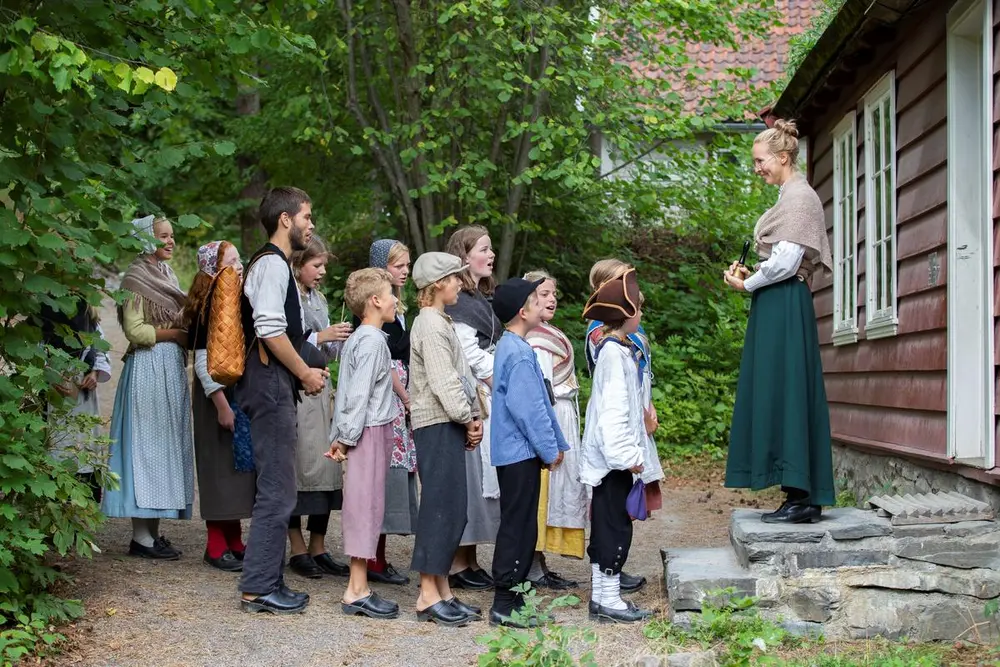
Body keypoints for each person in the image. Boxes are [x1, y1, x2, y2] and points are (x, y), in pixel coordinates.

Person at [722, 119, 834, 524]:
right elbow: (781, 260)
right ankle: (796, 492)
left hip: (784, 304)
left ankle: (803, 495)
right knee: (781, 389)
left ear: (782, 158)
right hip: (779, 303)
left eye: (760, 161)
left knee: (788, 390)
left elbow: (786, 263)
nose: (757, 168)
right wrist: (752, 276)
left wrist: (746, 282)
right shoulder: (790, 197)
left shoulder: (799, 199)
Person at [237, 187, 329, 615]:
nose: (311, 224)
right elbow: (271, 330)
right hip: (269, 382)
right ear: (286, 220)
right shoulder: (272, 266)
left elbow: (286, 333)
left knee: (280, 486)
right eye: (307, 217)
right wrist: (304, 372)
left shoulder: (269, 264)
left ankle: (269, 580)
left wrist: (312, 360)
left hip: (271, 382)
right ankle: (258, 587)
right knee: (276, 488)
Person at [101, 216, 193, 560]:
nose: (170, 242)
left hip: (168, 366)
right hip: (149, 366)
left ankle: (153, 533)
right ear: (145, 240)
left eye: (171, 236)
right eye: (162, 237)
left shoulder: (167, 275)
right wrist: (174, 334)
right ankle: (141, 538)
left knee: (165, 446)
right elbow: (135, 331)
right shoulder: (136, 278)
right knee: (147, 446)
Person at [488, 277, 569, 627]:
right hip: (518, 453)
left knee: (522, 526)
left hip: (518, 453)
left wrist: (557, 443)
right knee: (517, 527)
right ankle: (504, 603)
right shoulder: (519, 353)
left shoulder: (514, 346)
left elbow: (540, 403)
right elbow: (529, 410)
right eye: (537, 299)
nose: (543, 302)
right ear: (523, 311)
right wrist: (550, 449)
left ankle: (518, 598)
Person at [408, 252, 484, 627]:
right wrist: (467, 416)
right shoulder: (430, 324)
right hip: (437, 423)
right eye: (455, 278)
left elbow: (461, 376)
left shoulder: (441, 321)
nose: (460, 283)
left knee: (453, 508)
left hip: (448, 422)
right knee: (440, 507)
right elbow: (442, 381)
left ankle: (443, 591)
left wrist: (472, 415)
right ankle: (426, 595)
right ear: (438, 284)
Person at [583, 258, 664, 593]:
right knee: (611, 518)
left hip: (627, 438)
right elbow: (612, 408)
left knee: (617, 516)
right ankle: (605, 590)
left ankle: (609, 584)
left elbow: (636, 383)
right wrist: (626, 454)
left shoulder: (625, 341)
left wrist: (646, 408)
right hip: (615, 449)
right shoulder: (609, 345)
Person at [327, 268, 401, 620]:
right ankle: (356, 589)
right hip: (368, 432)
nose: (396, 300)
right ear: (375, 301)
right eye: (391, 294)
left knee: (367, 504)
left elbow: (346, 390)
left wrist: (341, 434)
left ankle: (359, 585)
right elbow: (356, 395)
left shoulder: (362, 337)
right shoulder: (371, 341)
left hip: (366, 430)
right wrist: (346, 437)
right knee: (365, 506)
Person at [183, 240, 256, 572]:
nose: (239, 266)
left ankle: (234, 537)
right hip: (216, 396)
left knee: (237, 468)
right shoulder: (210, 304)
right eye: (232, 262)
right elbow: (202, 361)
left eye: (240, 260)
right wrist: (222, 404)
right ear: (215, 268)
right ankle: (215, 544)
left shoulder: (234, 300)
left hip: (234, 392)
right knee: (218, 468)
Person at [286, 238, 352, 580]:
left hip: (322, 389)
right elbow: (285, 340)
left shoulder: (320, 299)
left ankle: (319, 546)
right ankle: (296, 546)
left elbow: (327, 349)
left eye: (324, 266)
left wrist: (338, 342)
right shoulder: (289, 296)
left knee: (327, 467)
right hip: (298, 388)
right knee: (301, 468)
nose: (323, 272)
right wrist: (321, 336)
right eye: (317, 266)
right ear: (298, 264)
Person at [443, 226, 502, 591]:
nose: (491, 254)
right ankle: (456, 561)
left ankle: (469, 559)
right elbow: (467, 351)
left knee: (480, 479)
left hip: (484, 389)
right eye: (484, 248)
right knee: (469, 477)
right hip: (471, 392)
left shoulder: (478, 296)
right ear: (465, 256)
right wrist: (497, 375)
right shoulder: (460, 301)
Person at [523, 271, 588, 588]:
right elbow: (541, 391)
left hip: (561, 416)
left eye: (554, 295)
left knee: (552, 494)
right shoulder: (537, 341)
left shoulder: (546, 334)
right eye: (544, 294)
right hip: (550, 421)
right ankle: (532, 566)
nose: (551, 300)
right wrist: (550, 441)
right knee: (542, 496)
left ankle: (540, 563)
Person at [363, 239, 417, 586]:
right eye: (399, 265)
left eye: (407, 265)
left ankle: (378, 554)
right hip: (388, 395)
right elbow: (384, 358)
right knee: (381, 474)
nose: (405, 271)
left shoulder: (401, 307)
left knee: (394, 478)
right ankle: (371, 557)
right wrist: (406, 397)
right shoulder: (371, 307)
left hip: (401, 398)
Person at [41, 298, 112, 504]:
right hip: (56, 390)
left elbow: (101, 350)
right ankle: (56, 507)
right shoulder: (46, 310)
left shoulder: (89, 314)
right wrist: (51, 376)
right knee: (58, 443)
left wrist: (94, 374)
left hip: (82, 393)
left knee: (84, 443)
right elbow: (37, 348)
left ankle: (80, 507)